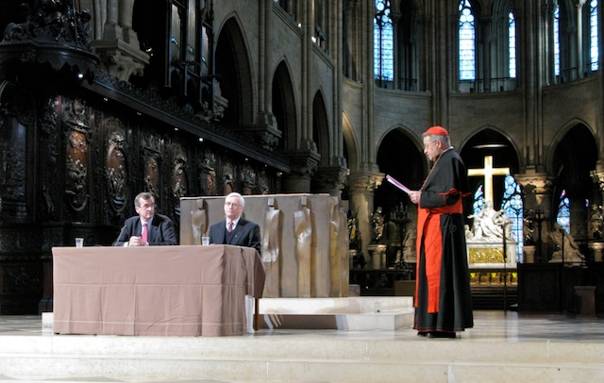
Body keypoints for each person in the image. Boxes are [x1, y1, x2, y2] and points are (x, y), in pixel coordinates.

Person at [408, 126, 473, 338]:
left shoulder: (450, 160)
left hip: (444, 228)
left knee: (441, 275)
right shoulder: (444, 161)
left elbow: (450, 197)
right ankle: (431, 323)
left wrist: (422, 198)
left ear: (438, 143)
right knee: (433, 274)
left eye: (427, 146)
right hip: (437, 227)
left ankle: (441, 324)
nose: (425, 151)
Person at [113, 192, 177, 246]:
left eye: (152, 205)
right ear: (137, 209)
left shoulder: (165, 222)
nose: (150, 209)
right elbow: (116, 244)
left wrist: (146, 244)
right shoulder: (130, 223)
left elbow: (172, 244)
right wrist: (128, 244)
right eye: (146, 206)